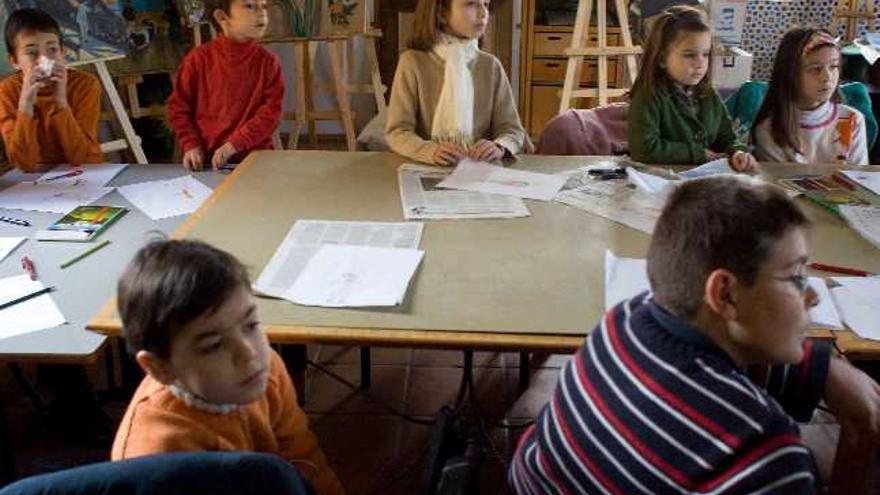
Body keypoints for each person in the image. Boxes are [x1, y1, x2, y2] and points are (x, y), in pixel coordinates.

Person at [509, 175, 880, 494]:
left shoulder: (624, 319)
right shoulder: (767, 458)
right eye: (796, 276)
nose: (812, 294)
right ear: (725, 293)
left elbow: (718, 341)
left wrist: (823, 369)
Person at [111, 239, 345, 495]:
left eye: (251, 325)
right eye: (213, 345)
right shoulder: (154, 454)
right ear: (160, 368)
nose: (248, 353)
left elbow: (303, 455)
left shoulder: (265, 370)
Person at [385, 0, 530, 166]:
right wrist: (429, 150)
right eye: (471, 4)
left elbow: (513, 130)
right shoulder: (412, 62)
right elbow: (397, 131)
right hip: (426, 167)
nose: (483, 13)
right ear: (442, 14)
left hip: (480, 172)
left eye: (486, 4)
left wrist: (499, 146)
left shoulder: (491, 66)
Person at [627, 6, 757, 170]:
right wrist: (698, 154)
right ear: (661, 59)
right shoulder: (648, 95)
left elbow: (726, 136)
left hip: (702, 179)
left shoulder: (708, 93)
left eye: (705, 54)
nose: (700, 63)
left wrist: (737, 151)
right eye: (689, 55)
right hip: (659, 180)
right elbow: (644, 150)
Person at [166, 0, 283, 171]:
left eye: (264, 6)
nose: (262, 13)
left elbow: (270, 114)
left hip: (255, 161)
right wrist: (191, 145)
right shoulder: (198, 59)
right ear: (222, 17)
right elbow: (178, 108)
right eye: (250, 6)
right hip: (206, 163)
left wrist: (233, 145)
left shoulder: (269, 63)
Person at [0, 8, 102, 172]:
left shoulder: (85, 85)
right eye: (31, 52)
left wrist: (61, 102)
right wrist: (26, 104)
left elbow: (83, 159)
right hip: (38, 180)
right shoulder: (8, 91)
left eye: (52, 50)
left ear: (62, 52)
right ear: (15, 61)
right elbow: (23, 164)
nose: (44, 60)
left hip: (86, 174)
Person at [753, 27, 868, 165]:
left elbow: (860, 178)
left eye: (834, 66)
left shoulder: (853, 120)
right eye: (815, 69)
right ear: (790, 74)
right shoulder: (768, 129)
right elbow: (780, 185)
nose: (827, 77)